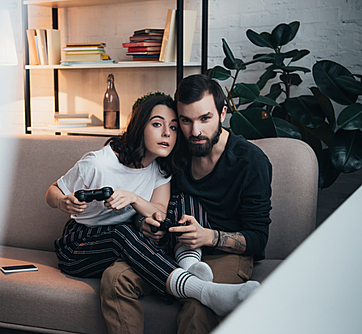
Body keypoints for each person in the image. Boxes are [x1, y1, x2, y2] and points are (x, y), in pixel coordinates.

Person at [46, 93, 259, 312]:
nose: (167, 133)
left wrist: (134, 198)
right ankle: (204, 291)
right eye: (157, 124)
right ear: (140, 126)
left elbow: (159, 212)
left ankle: (190, 265)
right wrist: (63, 201)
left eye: (174, 127)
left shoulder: (160, 167)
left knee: (185, 199)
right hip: (79, 246)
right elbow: (52, 191)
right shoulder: (98, 163)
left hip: (125, 236)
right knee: (122, 233)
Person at [100, 74, 272, 334]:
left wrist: (208, 236)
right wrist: (144, 222)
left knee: (199, 304)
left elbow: (258, 238)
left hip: (223, 253)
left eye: (205, 119)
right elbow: (147, 195)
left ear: (222, 113)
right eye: (186, 121)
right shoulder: (174, 147)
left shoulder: (250, 162)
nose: (196, 132)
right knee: (115, 279)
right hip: (171, 246)